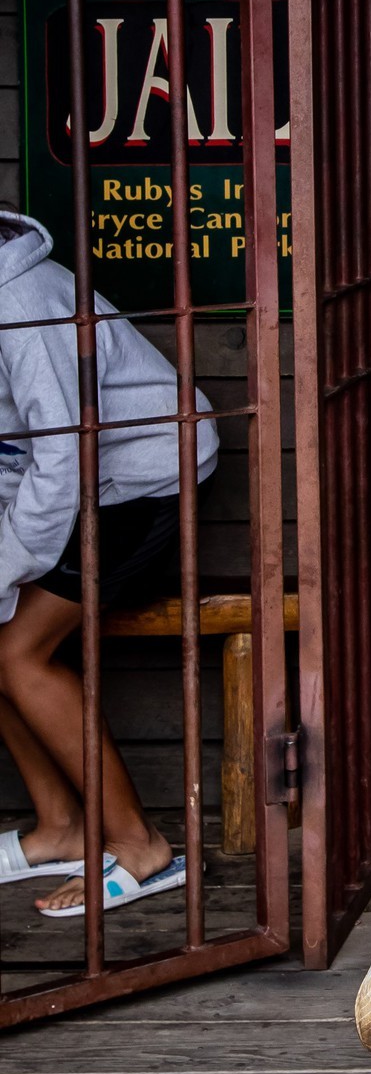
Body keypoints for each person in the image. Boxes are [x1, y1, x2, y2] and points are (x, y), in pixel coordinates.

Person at [0, 210, 218, 918]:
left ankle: (143, 848)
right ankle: (61, 829)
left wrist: (5, 567)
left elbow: (63, 458)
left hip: (144, 479)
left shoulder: (19, 302)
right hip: (73, 488)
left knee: (19, 655)